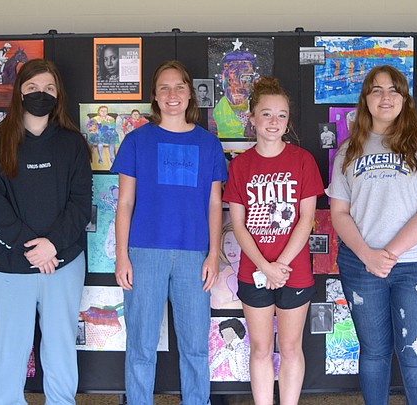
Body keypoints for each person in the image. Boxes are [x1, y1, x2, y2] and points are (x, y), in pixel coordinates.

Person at [326, 65, 417, 405]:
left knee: (416, 355)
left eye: (393, 90)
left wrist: (390, 253)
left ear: (404, 98)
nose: (385, 97)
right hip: (361, 265)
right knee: (373, 353)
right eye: (376, 90)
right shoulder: (348, 150)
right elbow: (339, 213)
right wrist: (369, 256)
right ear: (365, 99)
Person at [0, 59, 92, 404]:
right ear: (18, 93)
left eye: (49, 89)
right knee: (10, 354)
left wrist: (52, 246)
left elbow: (81, 204)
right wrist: (34, 249)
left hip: (63, 263)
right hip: (9, 266)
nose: (41, 95)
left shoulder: (72, 144)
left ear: (58, 96)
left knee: (60, 352)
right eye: (32, 88)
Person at [113, 60, 226, 405]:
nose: (172, 94)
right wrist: (121, 256)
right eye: (164, 87)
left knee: (195, 346)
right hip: (144, 252)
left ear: (190, 93)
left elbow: (213, 205)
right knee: (141, 345)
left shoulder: (208, 145)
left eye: (179, 87)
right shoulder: (136, 141)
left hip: (194, 254)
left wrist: (213, 254)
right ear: (154, 96)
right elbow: (125, 204)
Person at [223, 76, 323, 405]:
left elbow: (306, 219)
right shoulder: (240, 166)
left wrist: (280, 266)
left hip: (294, 272)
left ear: (288, 121)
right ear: (252, 118)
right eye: (266, 114)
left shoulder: (303, 160)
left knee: (292, 347)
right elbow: (237, 224)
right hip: (254, 270)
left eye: (281, 115)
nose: (274, 122)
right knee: (261, 348)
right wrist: (265, 267)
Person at [213, 48, 258, 138]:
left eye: (245, 78)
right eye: (231, 80)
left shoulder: (260, 111)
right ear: (221, 79)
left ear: (254, 80)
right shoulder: (213, 116)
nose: (238, 86)